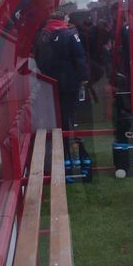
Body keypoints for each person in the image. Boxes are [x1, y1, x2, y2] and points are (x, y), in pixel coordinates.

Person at [33, 9, 90, 161]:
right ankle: (67, 145)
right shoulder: (70, 34)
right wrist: (84, 77)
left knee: (53, 115)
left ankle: (58, 147)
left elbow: (37, 58)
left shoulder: (41, 35)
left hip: (47, 82)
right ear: (64, 18)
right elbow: (79, 57)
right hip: (68, 82)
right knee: (68, 114)